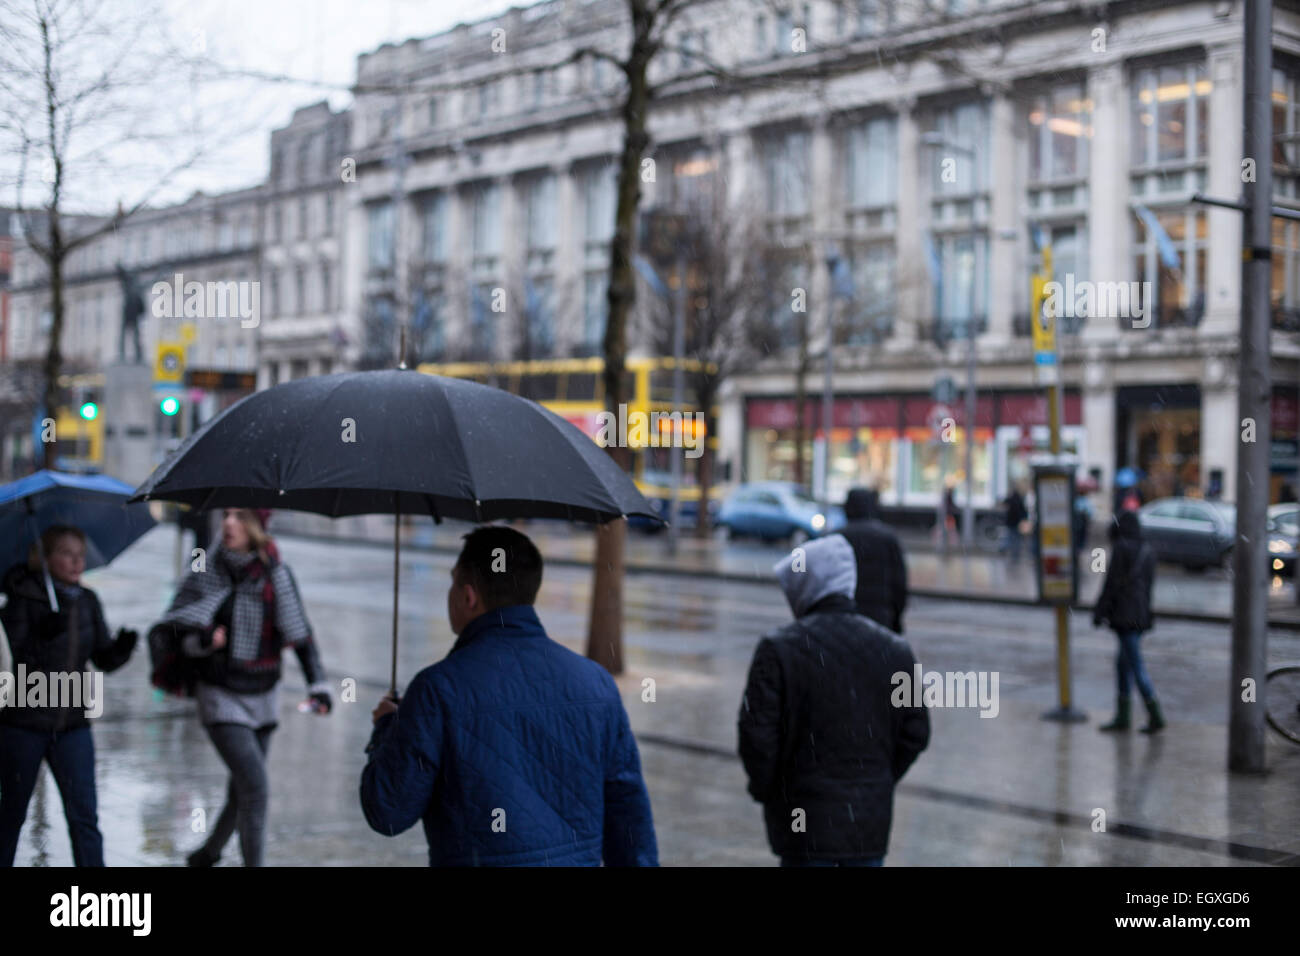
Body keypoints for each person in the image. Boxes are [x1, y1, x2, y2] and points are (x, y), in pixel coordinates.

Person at [360, 526, 657, 866]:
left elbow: (388, 811)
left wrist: (387, 729)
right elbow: (629, 812)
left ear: (468, 596)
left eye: (453, 581)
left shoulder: (437, 689)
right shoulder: (597, 683)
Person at [738, 534, 929, 866]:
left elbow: (758, 737)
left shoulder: (779, 649)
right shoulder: (895, 650)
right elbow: (916, 732)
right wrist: (877, 781)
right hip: (867, 829)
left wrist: (770, 790)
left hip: (802, 826)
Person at [155, 508, 331, 867]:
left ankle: (207, 854)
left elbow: (300, 633)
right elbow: (176, 629)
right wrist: (204, 640)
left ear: (257, 526)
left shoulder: (277, 574)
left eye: (240, 516)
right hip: (220, 694)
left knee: (242, 790)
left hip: (264, 693)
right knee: (256, 787)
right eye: (226, 515)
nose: (229, 523)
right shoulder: (206, 569)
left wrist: (319, 685)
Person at [0, 526, 138, 867]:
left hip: (72, 724)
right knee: (10, 816)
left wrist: (122, 649)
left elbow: (102, 657)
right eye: (66, 553)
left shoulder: (87, 600)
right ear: (46, 559)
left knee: (84, 818)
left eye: (81, 554)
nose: (77, 561)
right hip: (24, 722)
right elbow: (10, 658)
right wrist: (42, 634)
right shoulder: (22, 596)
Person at [1093, 511, 1164, 734]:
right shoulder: (1147, 549)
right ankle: (1123, 717)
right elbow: (1149, 587)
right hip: (1140, 615)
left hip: (1124, 614)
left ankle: (1155, 714)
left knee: (1135, 665)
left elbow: (1111, 583)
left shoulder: (1122, 547)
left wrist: (1100, 610)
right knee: (1123, 665)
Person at [839, 487, 908, 633]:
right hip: (880, 619)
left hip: (844, 620)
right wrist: (895, 617)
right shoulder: (887, 537)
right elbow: (899, 584)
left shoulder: (837, 538)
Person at [1002, 485, 1028, 565]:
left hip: (1011, 522)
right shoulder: (1020, 500)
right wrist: (1024, 519)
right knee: (1016, 539)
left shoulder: (1011, 499)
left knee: (1010, 537)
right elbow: (1023, 511)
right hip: (1017, 523)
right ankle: (1015, 553)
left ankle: (1005, 548)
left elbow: (1004, 503)